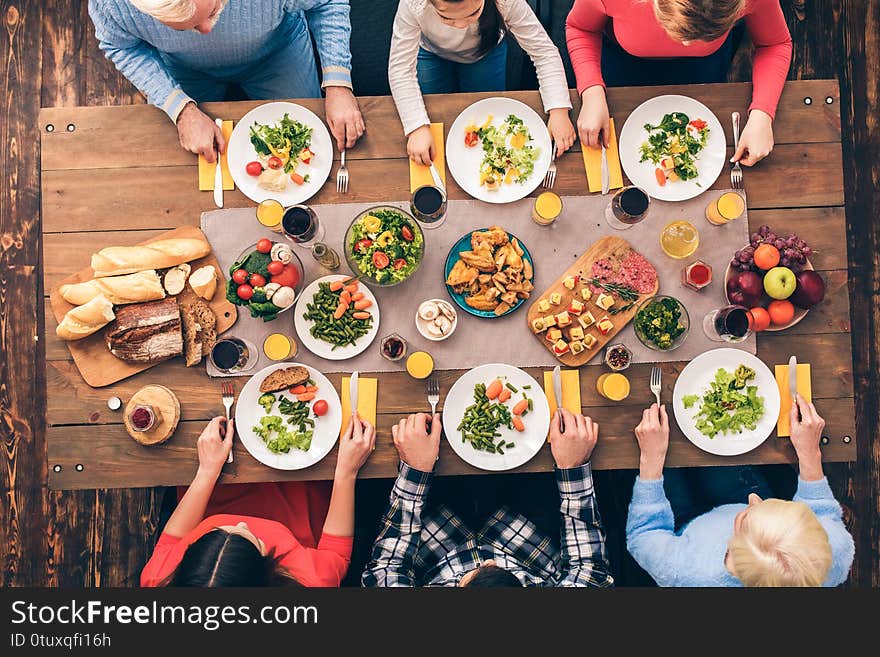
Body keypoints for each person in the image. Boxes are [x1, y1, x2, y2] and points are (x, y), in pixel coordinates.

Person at [88, 0, 366, 162]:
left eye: (212, 10)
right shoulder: (112, 5)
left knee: (310, 141)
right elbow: (121, 46)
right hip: (184, 69)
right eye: (190, 27)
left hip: (278, 53)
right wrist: (181, 110)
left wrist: (338, 82)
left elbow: (327, 2)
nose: (207, 31)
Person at [362, 410, 613, 587]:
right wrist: (573, 468)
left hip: (438, 547)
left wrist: (415, 470)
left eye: (480, 569)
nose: (489, 560)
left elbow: (386, 570)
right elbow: (590, 570)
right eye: (495, 567)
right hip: (528, 542)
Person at [626, 397, 855, 587]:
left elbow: (644, 536)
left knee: (665, 453)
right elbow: (822, 511)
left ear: (731, 554)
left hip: (680, 523)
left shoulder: (686, 573)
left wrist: (650, 460)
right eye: (775, 508)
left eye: (748, 517)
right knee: (716, 435)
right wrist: (809, 453)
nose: (754, 500)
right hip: (728, 500)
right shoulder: (831, 553)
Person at [141, 413, 375, 586]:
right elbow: (336, 554)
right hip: (299, 502)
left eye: (214, 532)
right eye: (251, 537)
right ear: (270, 570)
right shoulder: (310, 581)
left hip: (213, 493)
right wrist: (347, 470)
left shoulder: (158, 580)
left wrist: (207, 471)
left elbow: (170, 542)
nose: (243, 523)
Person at [565, 0, 793, 166]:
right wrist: (592, 91)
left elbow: (774, 44)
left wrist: (762, 114)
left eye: (703, 37)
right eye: (676, 30)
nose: (686, 44)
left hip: (704, 67)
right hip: (620, 60)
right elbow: (581, 28)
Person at [389, 0, 577, 165]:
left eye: (473, 13)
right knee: (434, 112)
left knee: (487, 118)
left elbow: (543, 52)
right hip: (430, 52)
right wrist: (416, 127)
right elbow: (401, 70)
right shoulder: (413, 4)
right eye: (447, 18)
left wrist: (559, 110)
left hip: (485, 51)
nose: (461, 26)